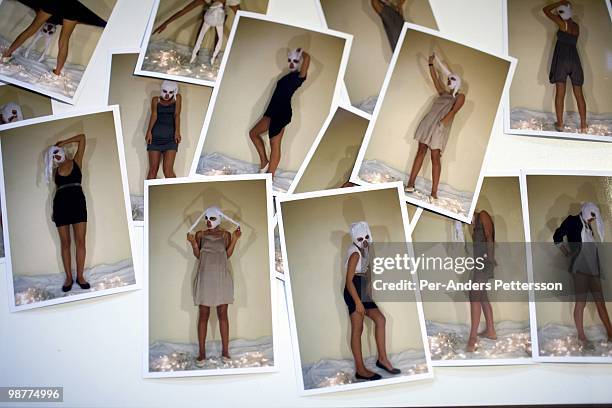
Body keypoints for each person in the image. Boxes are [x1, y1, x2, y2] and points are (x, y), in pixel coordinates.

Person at [343, 221, 400, 381]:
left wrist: (368, 291)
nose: (365, 241)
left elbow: (366, 272)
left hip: (362, 290)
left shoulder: (365, 249)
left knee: (380, 320)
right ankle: (360, 369)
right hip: (353, 290)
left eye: (367, 237)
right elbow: (349, 281)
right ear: (355, 238)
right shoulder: (355, 253)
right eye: (360, 239)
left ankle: (382, 359)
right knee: (357, 329)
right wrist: (358, 302)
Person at [405, 53, 465, 200]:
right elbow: (435, 79)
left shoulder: (459, 96)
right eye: (448, 79)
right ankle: (411, 183)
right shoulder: (443, 93)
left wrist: (442, 123)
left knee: (435, 157)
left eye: (451, 79)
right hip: (428, 123)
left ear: (457, 82)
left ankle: (434, 192)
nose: (448, 81)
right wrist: (431, 64)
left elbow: (454, 111)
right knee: (421, 150)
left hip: (439, 127)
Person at [187, 207, 241, 366]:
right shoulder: (200, 234)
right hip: (205, 276)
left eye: (211, 218)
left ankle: (225, 351)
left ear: (218, 218)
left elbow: (227, 254)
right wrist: (192, 243)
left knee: (223, 313)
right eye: (206, 218)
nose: (208, 222)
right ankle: (202, 353)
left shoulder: (226, 235)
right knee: (203, 313)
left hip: (222, 276)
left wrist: (236, 239)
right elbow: (198, 255)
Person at [553, 202, 612, 347]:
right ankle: (581, 337)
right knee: (581, 302)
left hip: (593, 268)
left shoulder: (587, 225)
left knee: (600, 302)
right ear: (586, 211)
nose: (593, 219)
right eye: (592, 216)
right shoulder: (573, 220)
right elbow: (557, 236)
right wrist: (567, 253)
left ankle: (610, 333)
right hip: (579, 268)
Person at [1, 0, 107, 76]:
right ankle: (57, 72)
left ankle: (7, 53)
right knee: (64, 41)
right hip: (73, 6)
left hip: (56, 3)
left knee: (31, 30)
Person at [249, 48, 310, 176]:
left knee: (274, 144)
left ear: (299, 62)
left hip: (282, 112)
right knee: (253, 133)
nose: (292, 63)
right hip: (272, 111)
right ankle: (264, 162)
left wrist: (302, 52)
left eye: (295, 61)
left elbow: (307, 59)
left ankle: (269, 176)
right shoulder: (288, 75)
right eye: (290, 60)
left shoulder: (299, 77)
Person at [44, 134, 90, 292]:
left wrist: (63, 142)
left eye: (57, 152)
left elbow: (83, 138)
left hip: (78, 204)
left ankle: (81, 276)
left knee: (81, 241)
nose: (56, 155)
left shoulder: (76, 162)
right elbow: (56, 191)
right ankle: (69, 278)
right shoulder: (55, 171)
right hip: (60, 207)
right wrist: (53, 211)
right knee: (65, 244)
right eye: (53, 155)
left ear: (61, 150)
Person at [543, 1, 587, 133]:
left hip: (562, 60)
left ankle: (561, 124)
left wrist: (559, 2)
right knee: (579, 94)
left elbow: (545, 10)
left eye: (560, 11)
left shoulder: (563, 24)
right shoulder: (577, 26)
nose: (558, 13)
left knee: (560, 94)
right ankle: (583, 126)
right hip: (575, 60)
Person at [464, 211, 497, 352]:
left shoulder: (482, 215)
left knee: (474, 296)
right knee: (482, 295)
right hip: (479, 261)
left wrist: (489, 258)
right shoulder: (472, 223)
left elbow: (489, 236)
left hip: (484, 260)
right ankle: (491, 331)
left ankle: (473, 338)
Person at [145, 80, 182, 179]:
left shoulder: (177, 98)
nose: (167, 95)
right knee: (153, 170)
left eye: (170, 92)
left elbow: (177, 115)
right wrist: (149, 132)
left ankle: (174, 194)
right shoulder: (155, 100)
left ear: (174, 91)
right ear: (161, 89)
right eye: (165, 91)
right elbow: (154, 115)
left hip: (171, 139)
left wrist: (177, 132)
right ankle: (148, 193)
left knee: (168, 171)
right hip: (155, 138)